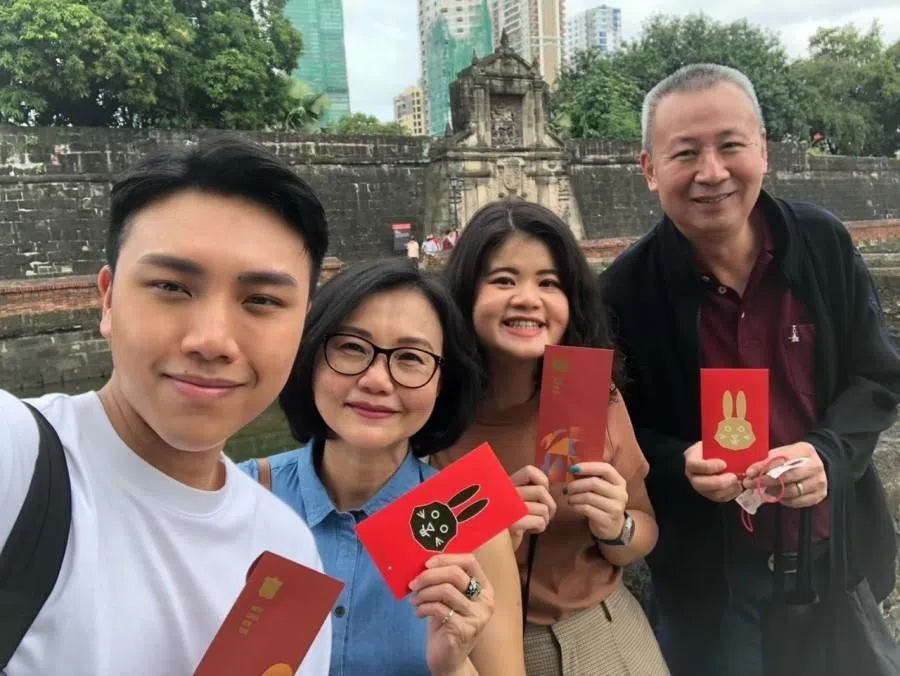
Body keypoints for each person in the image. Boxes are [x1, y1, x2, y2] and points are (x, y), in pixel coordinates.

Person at [600, 63, 900, 676]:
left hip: (832, 560)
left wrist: (829, 453)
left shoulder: (821, 244)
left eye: (731, 145)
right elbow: (610, 430)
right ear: (649, 169)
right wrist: (678, 460)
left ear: (762, 150)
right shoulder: (624, 293)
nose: (712, 173)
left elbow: (877, 376)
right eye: (685, 153)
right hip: (710, 586)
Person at [0, 135, 333, 675]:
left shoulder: (287, 549)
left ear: (302, 324)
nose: (212, 339)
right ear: (107, 299)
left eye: (263, 301)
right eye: (172, 287)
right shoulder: (18, 462)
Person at [240, 258, 525, 676]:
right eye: (352, 347)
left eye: (410, 357)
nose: (377, 379)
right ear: (311, 357)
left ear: (442, 382)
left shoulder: (474, 526)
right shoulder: (240, 497)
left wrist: (455, 663)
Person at [432, 201, 668, 676]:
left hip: (601, 634)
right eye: (503, 280)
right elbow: (405, 559)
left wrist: (614, 525)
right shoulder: (429, 412)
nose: (527, 298)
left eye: (549, 282)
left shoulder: (593, 396)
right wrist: (494, 534)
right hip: (468, 649)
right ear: (466, 293)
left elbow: (643, 531)